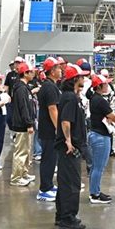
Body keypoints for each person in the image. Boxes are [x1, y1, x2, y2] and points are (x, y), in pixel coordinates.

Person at [88, 74, 115, 205]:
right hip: (100, 137)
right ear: (99, 86)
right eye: (106, 83)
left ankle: (95, 191)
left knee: (96, 167)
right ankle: (95, 195)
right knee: (98, 167)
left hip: (96, 134)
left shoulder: (94, 98)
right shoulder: (100, 101)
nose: (108, 85)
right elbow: (113, 117)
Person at [55, 64, 88, 229]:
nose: (84, 79)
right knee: (71, 183)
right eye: (81, 77)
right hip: (70, 148)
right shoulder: (70, 98)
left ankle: (62, 216)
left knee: (65, 182)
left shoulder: (70, 96)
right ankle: (68, 219)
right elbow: (66, 121)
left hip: (69, 146)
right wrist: (68, 141)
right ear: (75, 79)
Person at [37, 57, 63, 201]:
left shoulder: (50, 86)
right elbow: (52, 108)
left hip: (48, 129)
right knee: (48, 159)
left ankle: (48, 184)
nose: (61, 70)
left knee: (51, 159)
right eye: (58, 68)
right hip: (49, 130)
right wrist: (58, 128)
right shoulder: (50, 87)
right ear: (52, 71)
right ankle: (44, 189)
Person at [9, 62, 37, 187]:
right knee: (20, 152)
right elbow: (23, 107)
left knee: (26, 151)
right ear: (25, 73)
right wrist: (29, 123)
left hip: (25, 124)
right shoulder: (21, 89)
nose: (33, 74)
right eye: (31, 72)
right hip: (22, 125)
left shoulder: (24, 88)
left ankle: (23, 173)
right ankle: (16, 178)